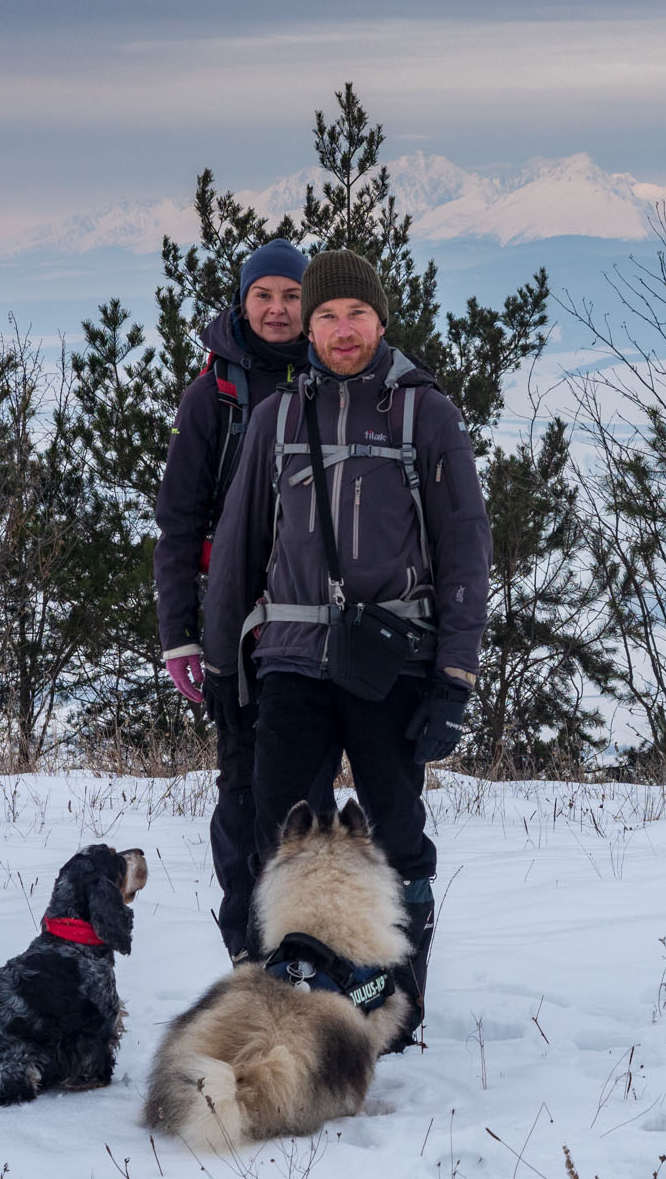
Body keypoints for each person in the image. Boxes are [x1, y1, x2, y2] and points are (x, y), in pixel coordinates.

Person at [201, 248, 490, 1050]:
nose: (340, 329)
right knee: (278, 836)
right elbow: (236, 550)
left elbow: (466, 551)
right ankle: (284, 1003)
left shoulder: (424, 414)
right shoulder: (278, 419)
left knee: (394, 835)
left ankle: (395, 1010)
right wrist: (224, 666)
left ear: (381, 318)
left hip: (391, 663)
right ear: (311, 330)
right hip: (290, 662)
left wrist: (453, 680)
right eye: (325, 316)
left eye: (354, 313)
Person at [153, 237, 310, 963]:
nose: (277, 310)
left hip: (321, 618)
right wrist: (180, 635)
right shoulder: (214, 392)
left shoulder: (337, 376)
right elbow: (179, 521)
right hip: (239, 623)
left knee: (309, 788)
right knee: (243, 784)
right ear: (241, 301)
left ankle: (313, 949)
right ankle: (249, 951)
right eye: (262, 296)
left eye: (290, 295)